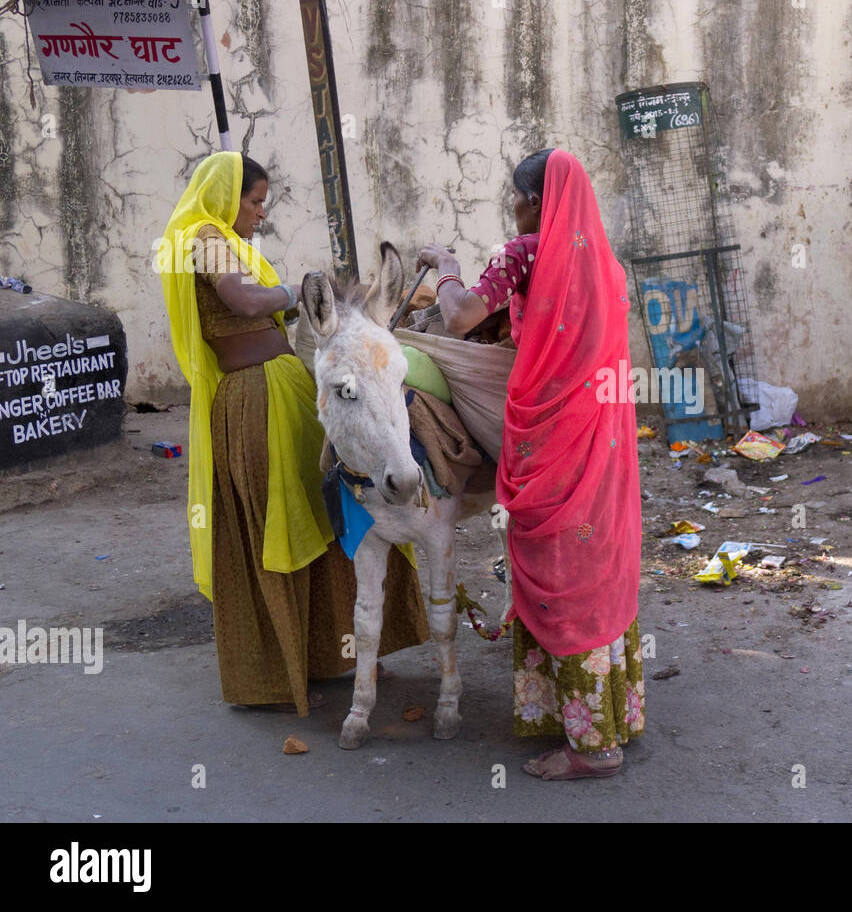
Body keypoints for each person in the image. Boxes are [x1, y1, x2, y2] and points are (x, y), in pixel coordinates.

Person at [158, 151, 428, 716]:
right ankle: (285, 669)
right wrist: (298, 291)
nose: (260, 214)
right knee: (280, 517)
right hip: (254, 397)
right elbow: (244, 300)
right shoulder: (205, 236)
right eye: (254, 202)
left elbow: (253, 313)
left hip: (275, 388)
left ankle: (329, 657)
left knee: (316, 508)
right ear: (226, 196)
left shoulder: (221, 240)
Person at [419, 149, 645, 779]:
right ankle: (600, 718)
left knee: (557, 568)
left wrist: (446, 268)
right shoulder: (606, 266)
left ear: (538, 202)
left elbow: (461, 316)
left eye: (516, 197)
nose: (512, 208)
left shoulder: (523, 254)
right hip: (598, 442)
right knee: (592, 563)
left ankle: (591, 750)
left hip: (548, 442)